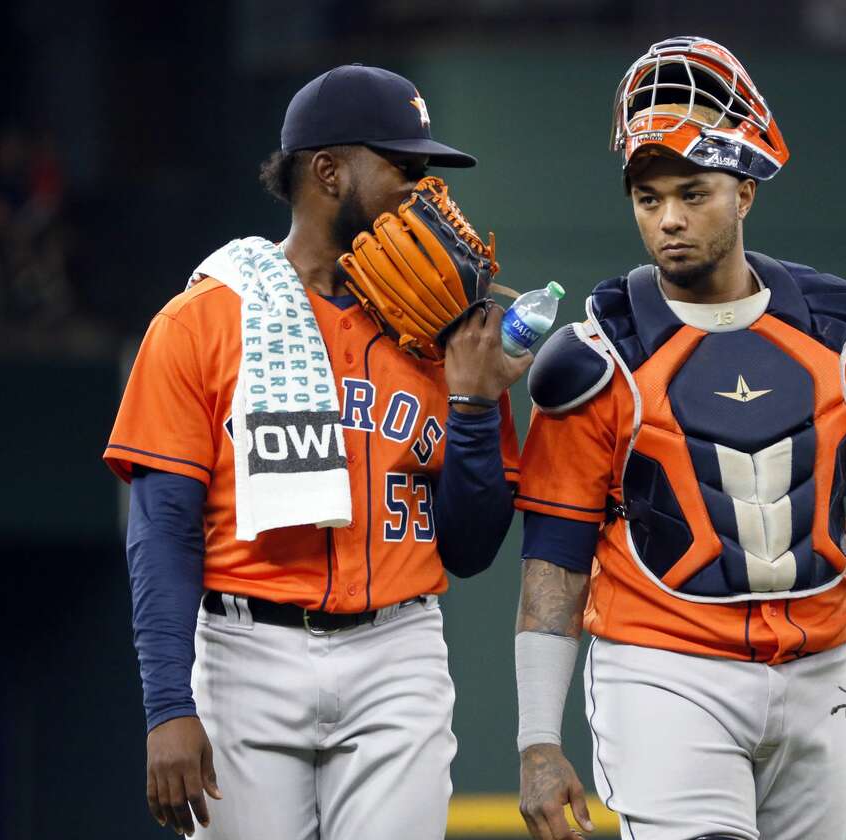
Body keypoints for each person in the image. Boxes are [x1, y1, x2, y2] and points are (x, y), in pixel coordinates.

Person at [512, 35, 846, 840]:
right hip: (666, 677)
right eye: (647, 197)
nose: (668, 218)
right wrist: (537, 741)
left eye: (692, 193)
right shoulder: (599, 356)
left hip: (822, 679)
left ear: (744, 191)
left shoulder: (843, 331)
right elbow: (554, 558)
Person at [104, 64, 529, 839]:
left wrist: (472, 403)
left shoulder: (444, 333)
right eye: (405, 168)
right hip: (245, 653)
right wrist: (168, 704)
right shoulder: (202, 320)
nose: (426, 192)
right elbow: (162, 527)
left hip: (397, 655)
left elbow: (470, 550)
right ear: (328, 171)